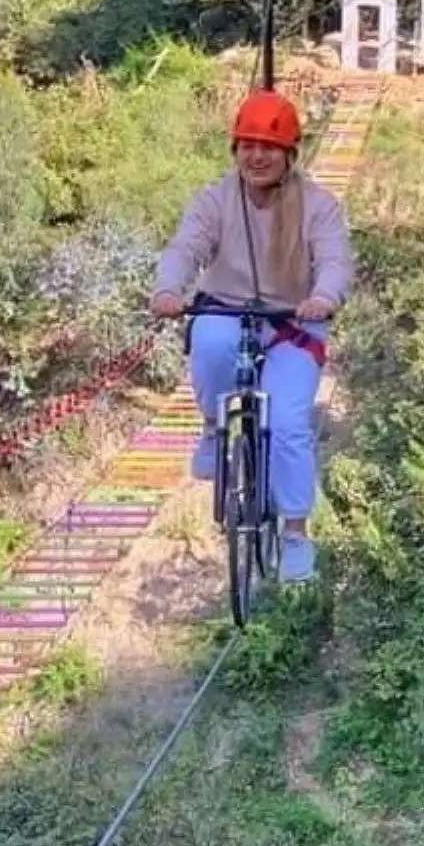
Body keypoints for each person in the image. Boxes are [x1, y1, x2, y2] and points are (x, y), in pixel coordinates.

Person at [149, 91, 353, 584]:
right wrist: (168, 288)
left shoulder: (318, 207)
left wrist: (323, 297)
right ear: (235, 149)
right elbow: (186, 247)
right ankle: (215, 428)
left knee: (288, 422)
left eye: (268, 146)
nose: (256, 156)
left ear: (289, 154)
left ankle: (296, 532)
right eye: (247, 145)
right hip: (226, 309)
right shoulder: (215, 200)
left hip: (292, 324)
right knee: (212, 343)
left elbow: (334, 260)